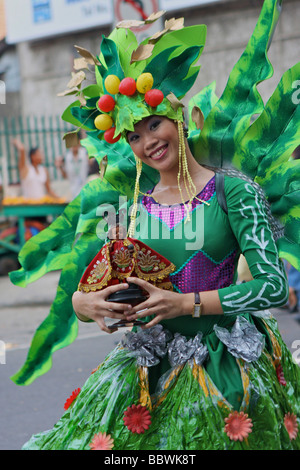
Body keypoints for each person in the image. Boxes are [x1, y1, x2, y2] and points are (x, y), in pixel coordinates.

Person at [9, 1, 300, 450]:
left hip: (223, 365)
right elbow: (101, 283)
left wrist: (185, 304)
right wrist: (91, 305)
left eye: (153, 125)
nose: (147, 143)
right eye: (133, 136)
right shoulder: (133, 206)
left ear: (178, 118)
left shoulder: (233, 191)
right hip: (145, 364)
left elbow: (273, 287)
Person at [55, 134, 90, 199]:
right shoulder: (66, 157)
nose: (74, 144)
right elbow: (66, 176)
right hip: (73, 192)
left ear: (79, 141)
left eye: (76, 141)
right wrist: (60, 167)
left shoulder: (86, 154)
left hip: (86, 190)